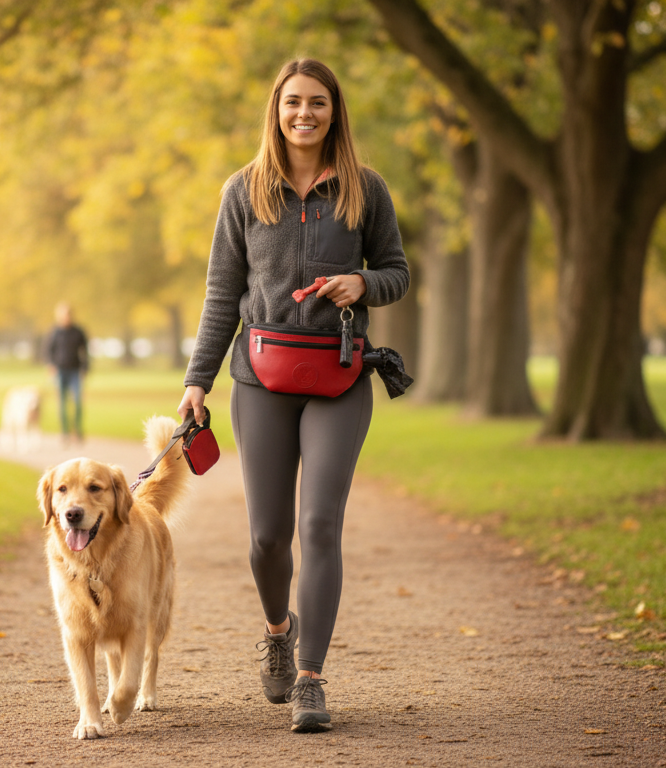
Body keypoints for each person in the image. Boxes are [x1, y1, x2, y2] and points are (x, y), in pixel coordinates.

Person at [177, 59, 410, 732]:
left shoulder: (365, 189)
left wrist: (363, 284)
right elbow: (223, 294)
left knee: (319, 526)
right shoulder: (243, 191)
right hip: (262, 379)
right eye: (292, 103)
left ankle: (310, 677)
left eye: (317, 103)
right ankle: (279, 628)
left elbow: (397, 271)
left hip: (340, 376)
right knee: (266, 538)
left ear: (335, 111)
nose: (304, 113)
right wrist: (199, 379)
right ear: (275, 111)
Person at [44, 302, 89, 443]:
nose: (66, 317)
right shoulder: (54, 332)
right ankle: (65, 432)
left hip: (75, 371)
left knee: (77, 402)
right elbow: (48, 351)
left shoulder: (78, 332)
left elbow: (85, 352)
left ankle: (77, 430)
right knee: (62, 403)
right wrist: (50, 365)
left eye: (68, 314)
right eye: (63, 314)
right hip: (60, 371)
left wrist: (85, 368)